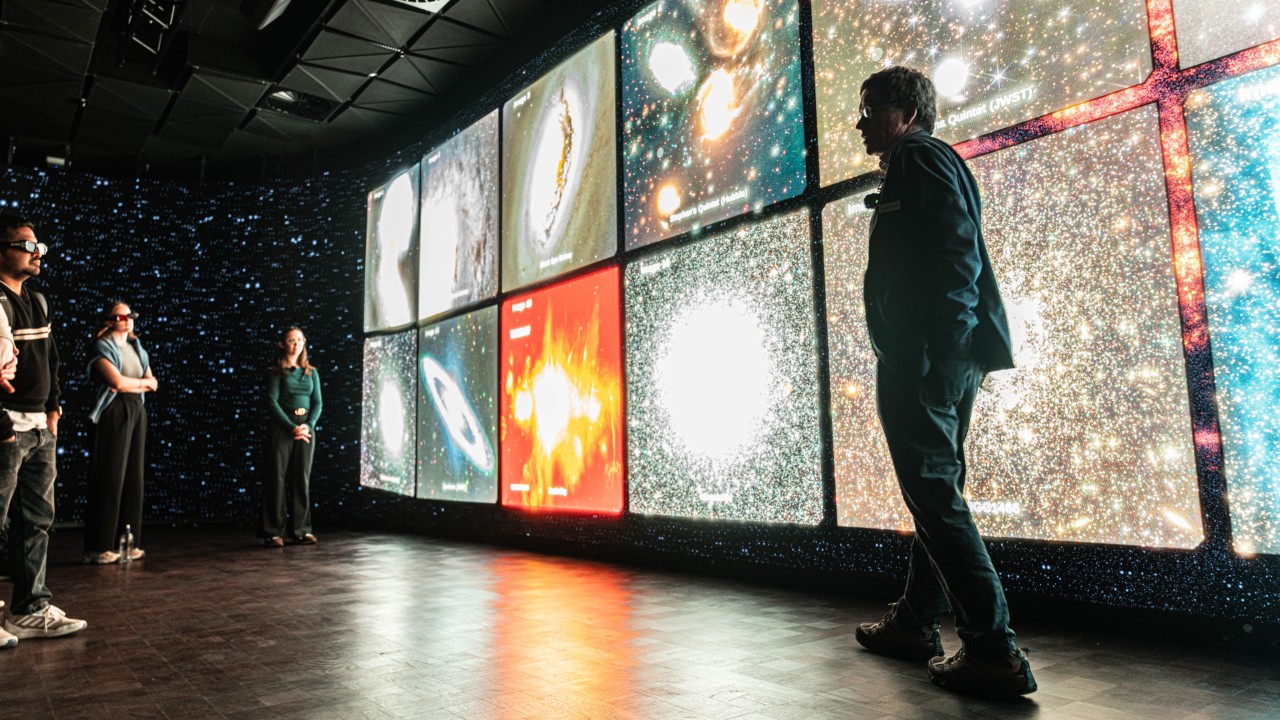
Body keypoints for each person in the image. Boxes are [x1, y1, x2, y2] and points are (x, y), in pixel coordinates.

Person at [851, 67, 1035, 697]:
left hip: (931, 360)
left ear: (905, 110)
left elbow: (957, 252)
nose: (860, 122)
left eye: (871, 108)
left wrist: (925, 350)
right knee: (935, 492)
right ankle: (916, 622)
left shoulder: (919, 157)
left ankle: (992, 649)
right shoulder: (927, 158)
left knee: (932, 492)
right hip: (946, 356)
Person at [0, 214, 86, 645]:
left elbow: (51, 357)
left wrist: (53, 410)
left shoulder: (38, 298)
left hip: (39, 427)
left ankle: (28, 608)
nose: (36, 253)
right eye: (26, 245)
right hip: (6, 428)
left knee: (36, 520)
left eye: (39, 247)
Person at [83, 302, 158, 564]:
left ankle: (127, 543)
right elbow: (116, 382)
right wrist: (140, 385)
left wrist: (134, 385)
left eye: (131, 315)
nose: (128, 319)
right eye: (121, 315)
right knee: (110, 475)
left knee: (133, 478)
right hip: (114, 411)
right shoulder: (101, 347)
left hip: (137, 410)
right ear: (110, 320)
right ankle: (100, 546)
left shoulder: (138, 348)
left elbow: (153, 382)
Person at [260, 327, 322, 547]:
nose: (296, 344)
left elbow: (318, 403)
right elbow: (271, 402)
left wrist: (308, 425)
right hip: (282, 428)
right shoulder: (276, 371)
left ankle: (302, 530)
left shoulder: (311, 372)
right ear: (282, 344)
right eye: (291, 340)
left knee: (301, 478)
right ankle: (273, 532)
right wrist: (290, 427)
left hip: (305, 429)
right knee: (276, 478)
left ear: (304, 343)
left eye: (299, 340)